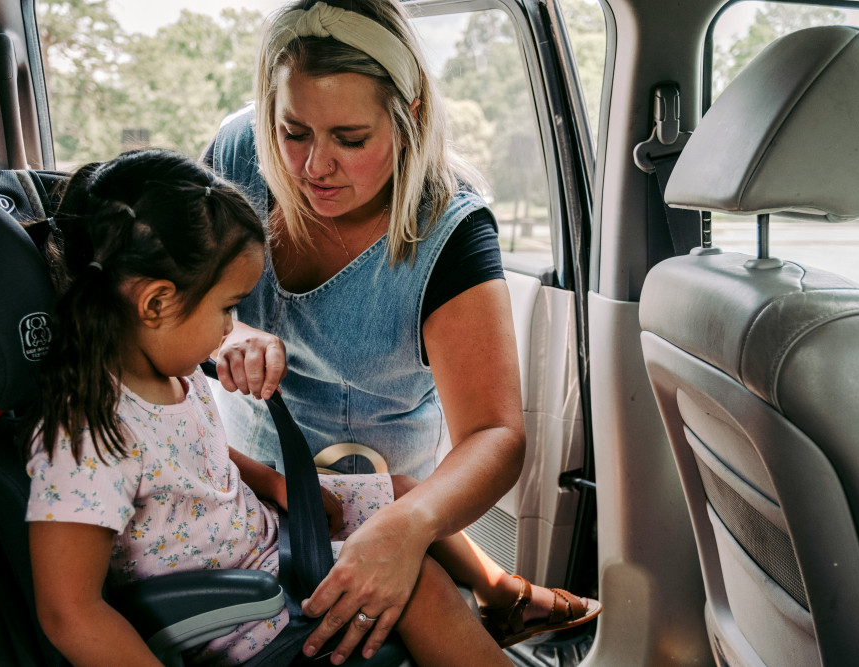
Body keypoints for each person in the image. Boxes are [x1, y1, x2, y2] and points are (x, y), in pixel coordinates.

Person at [22, 149, 597, 666]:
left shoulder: (171, 376)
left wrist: (277, 485)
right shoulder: (87, 437)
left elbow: (204, 457)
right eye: (227, 309)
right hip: (246, 614)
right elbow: (69, 614)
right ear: (155, 303)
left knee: (400, 493)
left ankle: (500, 597)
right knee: (416, 583)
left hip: (269, 545)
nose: (232, 328)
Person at [203, 0, 600, 661]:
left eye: (351, 139)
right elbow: (165, 297)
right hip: (248, 475)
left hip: (384, 487)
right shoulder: (237, 152)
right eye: (293, 131)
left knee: (413, 555)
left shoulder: (449, 231)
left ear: (408, 115)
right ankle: (504, 593)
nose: (314, 166)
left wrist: (408, 526)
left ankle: (499, 593)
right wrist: (226, 331)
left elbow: (495, 434)